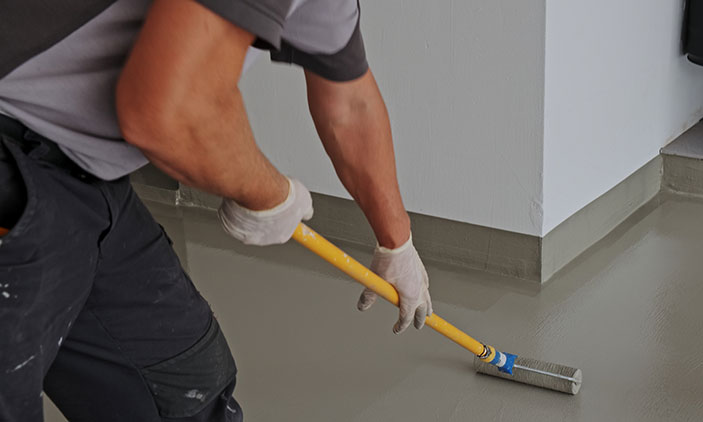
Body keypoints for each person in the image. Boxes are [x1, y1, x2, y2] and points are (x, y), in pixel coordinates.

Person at [0, 0, 432, 420]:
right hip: (13, 148)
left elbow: (351, 106)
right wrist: (269, 195)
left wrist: (397, 243)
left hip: (80, 172)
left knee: (186, 393)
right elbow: (170, 112)